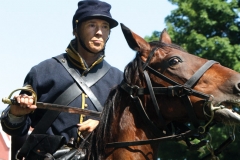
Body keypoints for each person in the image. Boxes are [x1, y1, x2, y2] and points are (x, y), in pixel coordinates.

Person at [1, 0, 123, 159]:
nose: (99, 32)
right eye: (92, 25)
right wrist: (17, 114)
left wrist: (104, 126)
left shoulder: (119, 80)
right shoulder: (43, 71)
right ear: (76, 30)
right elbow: (15, 129)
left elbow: (131, 130)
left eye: (105, 26)